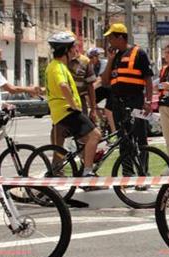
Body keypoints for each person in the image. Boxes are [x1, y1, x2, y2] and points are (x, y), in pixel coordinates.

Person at [45, 31, 102, 180]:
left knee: (84, 141)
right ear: (66, 50)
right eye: (72, 47)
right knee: (95, 135)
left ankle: (82, 169)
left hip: (64, 112)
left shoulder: (59, 65)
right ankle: (87, 172)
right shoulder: (57, 66)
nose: (74, 50)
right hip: (67, 111)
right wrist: (74, 106)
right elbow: (63, 86)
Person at [100, 23, 154, 176]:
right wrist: (110, 60)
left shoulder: (139, 53)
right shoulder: (115, 56)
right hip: (118, 103)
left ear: (120, 37)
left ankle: (144, 172)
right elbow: (105, 82)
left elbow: (148, 79)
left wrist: (148, 102)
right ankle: (127, 174)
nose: (109, 41)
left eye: (111, 37)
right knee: (123, 139)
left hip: (135, 101)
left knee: (140, 138)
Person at [87, 47, 116, 133]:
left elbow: (99, 80)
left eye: (93, 57)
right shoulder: (91, 65)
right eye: (90, 57)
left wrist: (90, 88)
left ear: (97, 56)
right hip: (104, 88)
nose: (91, 59)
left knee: (108, 110)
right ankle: (102, 120)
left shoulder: (104, 63)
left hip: (112, 89)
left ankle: (114, 132)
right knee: (90, 98)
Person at [68, 41, 97, 119]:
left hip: (80, 102)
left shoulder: (85, 61)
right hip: (63, 102)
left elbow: (90, 86)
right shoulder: (61, 61)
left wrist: (93, 109)